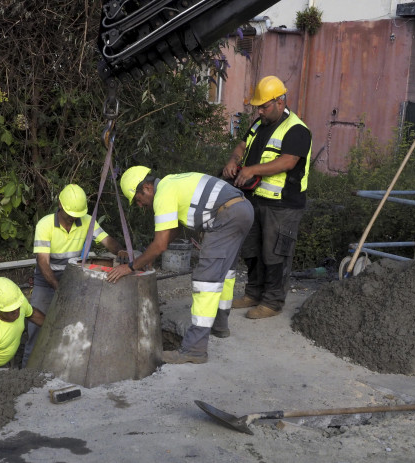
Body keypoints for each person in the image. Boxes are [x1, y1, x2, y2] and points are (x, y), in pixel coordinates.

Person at [107, 166, 254, 364]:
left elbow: (159, 244)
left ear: (147, 188)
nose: (141, 206)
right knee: (225, 271)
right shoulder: (172, 183)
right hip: (242, 209)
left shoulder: (163, 195)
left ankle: (194, 349)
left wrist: (131, 267)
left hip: (226, 216)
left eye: (138, 200)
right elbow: (172, 231)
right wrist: (151, 256)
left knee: (205, 280)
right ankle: (220, 326)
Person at [222, 75, 312, 319]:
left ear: (280, 102)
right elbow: (242, 146)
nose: (259, 111)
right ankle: (253, 293)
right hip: (254, 199)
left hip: (283, 205)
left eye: (264, 106)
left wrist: (252, 170)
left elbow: (288, 161)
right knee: (251, 249)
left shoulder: (296, 129)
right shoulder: (258, 124)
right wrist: (234, 161)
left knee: (275, 254)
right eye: (258, 107)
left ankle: (272, 302)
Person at [21, 184, 126, 368]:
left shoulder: (86, 221)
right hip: (47, 281)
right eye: (70, 215)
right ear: (60, 204)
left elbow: (107, 241)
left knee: (76, 326)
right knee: (38, 329)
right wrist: (57, 287)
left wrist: (121, 251)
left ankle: (66, 368)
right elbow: (43, 263)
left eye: (76, 215)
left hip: (75, 279)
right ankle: (27, 371)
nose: (73, 219)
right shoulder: (45, 225)